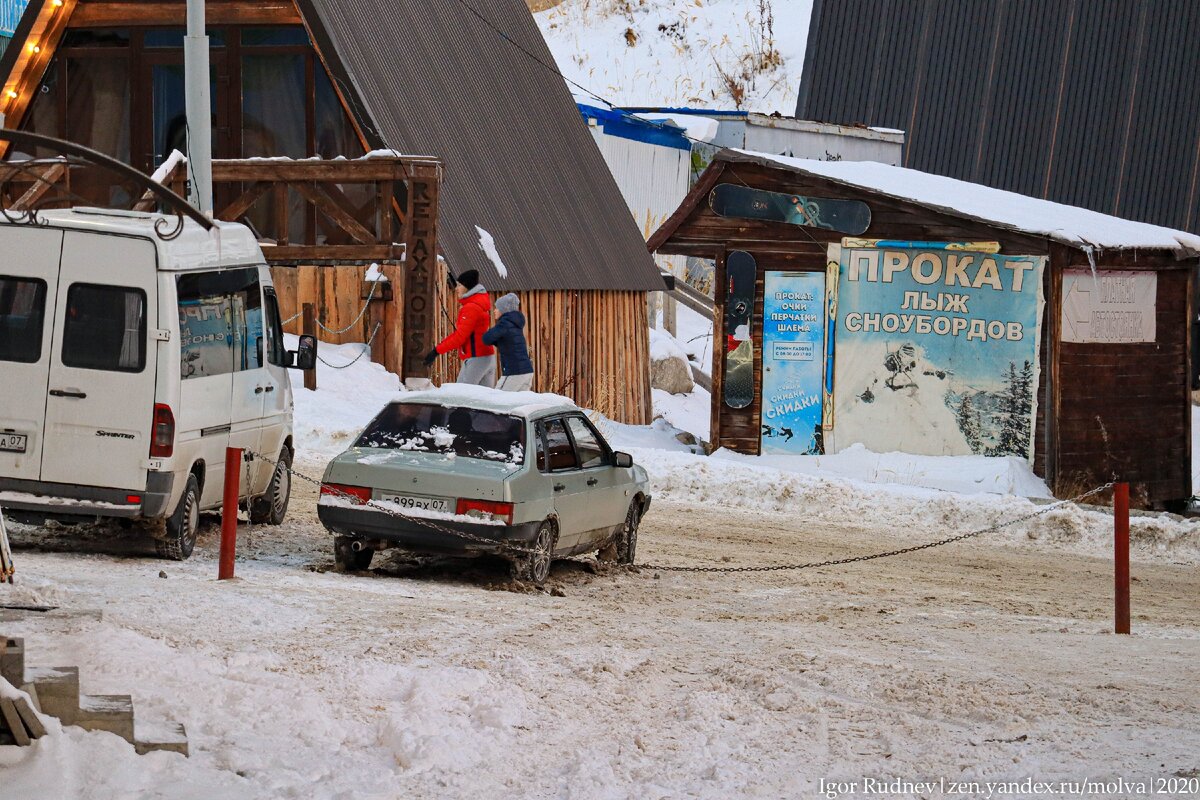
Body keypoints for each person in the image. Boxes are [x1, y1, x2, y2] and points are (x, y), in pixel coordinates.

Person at [424, 269, 496, 386]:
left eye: (459, 285)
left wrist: (436, 351)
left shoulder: (471, 307)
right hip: (487, 357)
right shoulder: (480, 303)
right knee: (482, 401)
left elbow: (459, 337)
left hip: (476, 358)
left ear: (467, 287)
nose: (456, 288)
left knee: (460, 396)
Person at [483, 293, 534, 392]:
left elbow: (487, 338)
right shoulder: (514, 323)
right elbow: (508, 342)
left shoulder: (504, 323)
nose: (494, 310)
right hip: (526, 371)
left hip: (514, 373)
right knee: (519, 403)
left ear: (503, 310)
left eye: (497, 308)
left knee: (497, 399)